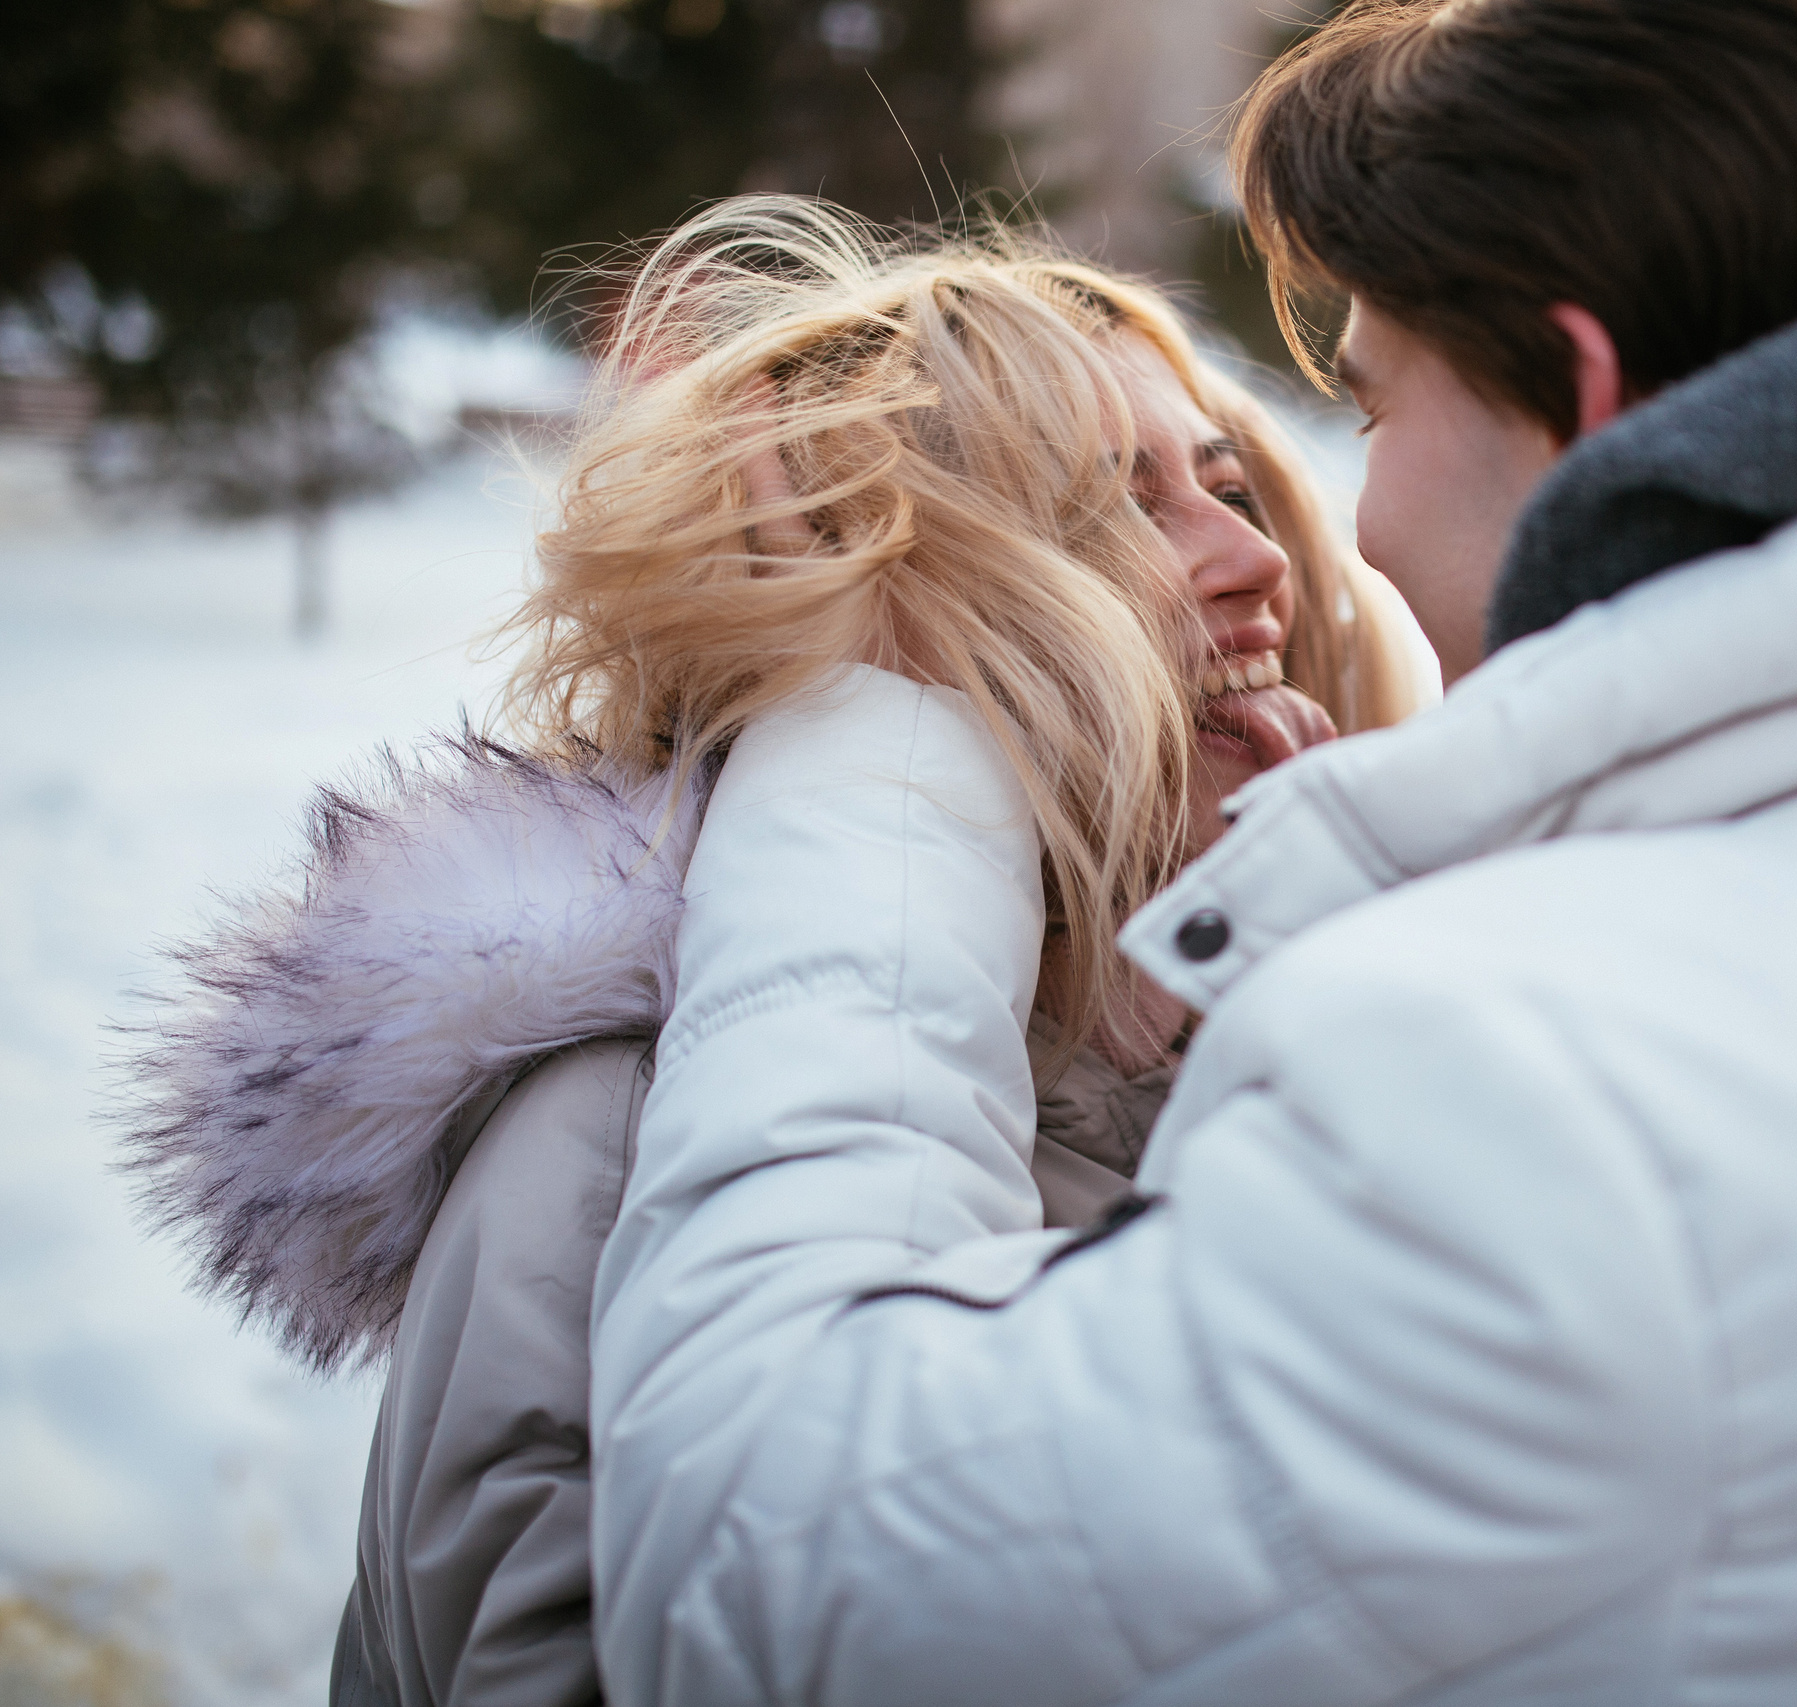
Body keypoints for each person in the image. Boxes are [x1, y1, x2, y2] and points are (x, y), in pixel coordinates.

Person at [584, 1, 1797, 1703]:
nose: (1338, 525)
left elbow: (753, 1580)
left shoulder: (1527, 1095)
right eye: (1102, 511)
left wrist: (867, 709)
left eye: (1376, 401)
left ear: (1586, 397)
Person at [114, 197, 1417, 1707]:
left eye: (1227, 482)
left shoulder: (1290, 1045)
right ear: (888, 634)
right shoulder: (605, 1133)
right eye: (1100, 512)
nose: (1252, 556)